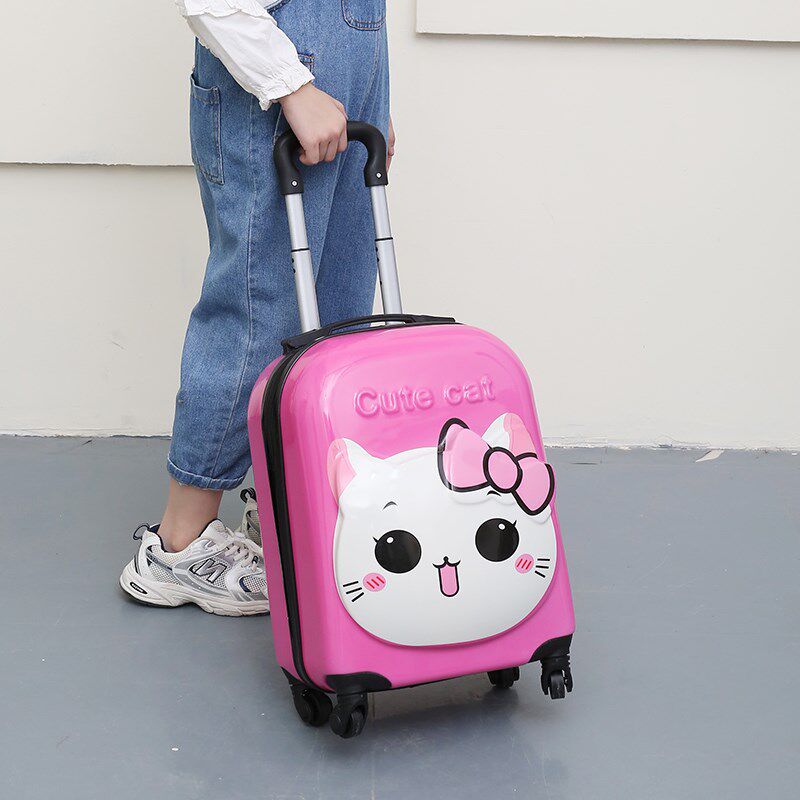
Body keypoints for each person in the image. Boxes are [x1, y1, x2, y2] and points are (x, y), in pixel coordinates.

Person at [119, 0, 393, 615]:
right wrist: (293, 88)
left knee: (337, 315)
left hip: (339, 103)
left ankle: (279, 507)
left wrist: (377, 104)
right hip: (267, 105)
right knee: (254, 311)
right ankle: (178, 545)